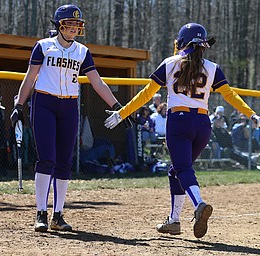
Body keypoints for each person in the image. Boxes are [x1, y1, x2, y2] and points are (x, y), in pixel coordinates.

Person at [104, 23, 260, 238]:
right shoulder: (213, 67)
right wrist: (251, 114)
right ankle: (174, 220)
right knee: (176, 171)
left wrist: (122, 113)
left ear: (182, 42)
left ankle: (199, 204)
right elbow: (230, 95)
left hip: (179, 120)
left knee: (183, 168)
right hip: (203, 124)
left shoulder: (170, 63)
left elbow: (146, 94)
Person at [10, 4, 132, 233]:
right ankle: (41, 213)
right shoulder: (43, 47)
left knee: (65, 161)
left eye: (77, 23)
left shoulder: (82, 51)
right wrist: (19, 105)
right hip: (44, 103)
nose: (75, 27)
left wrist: (118, 107)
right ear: (59, 25)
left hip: (69, 105)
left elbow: (97, 82)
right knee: (46, 159)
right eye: (70, 23)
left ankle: (58, 214)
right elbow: (30, 78)